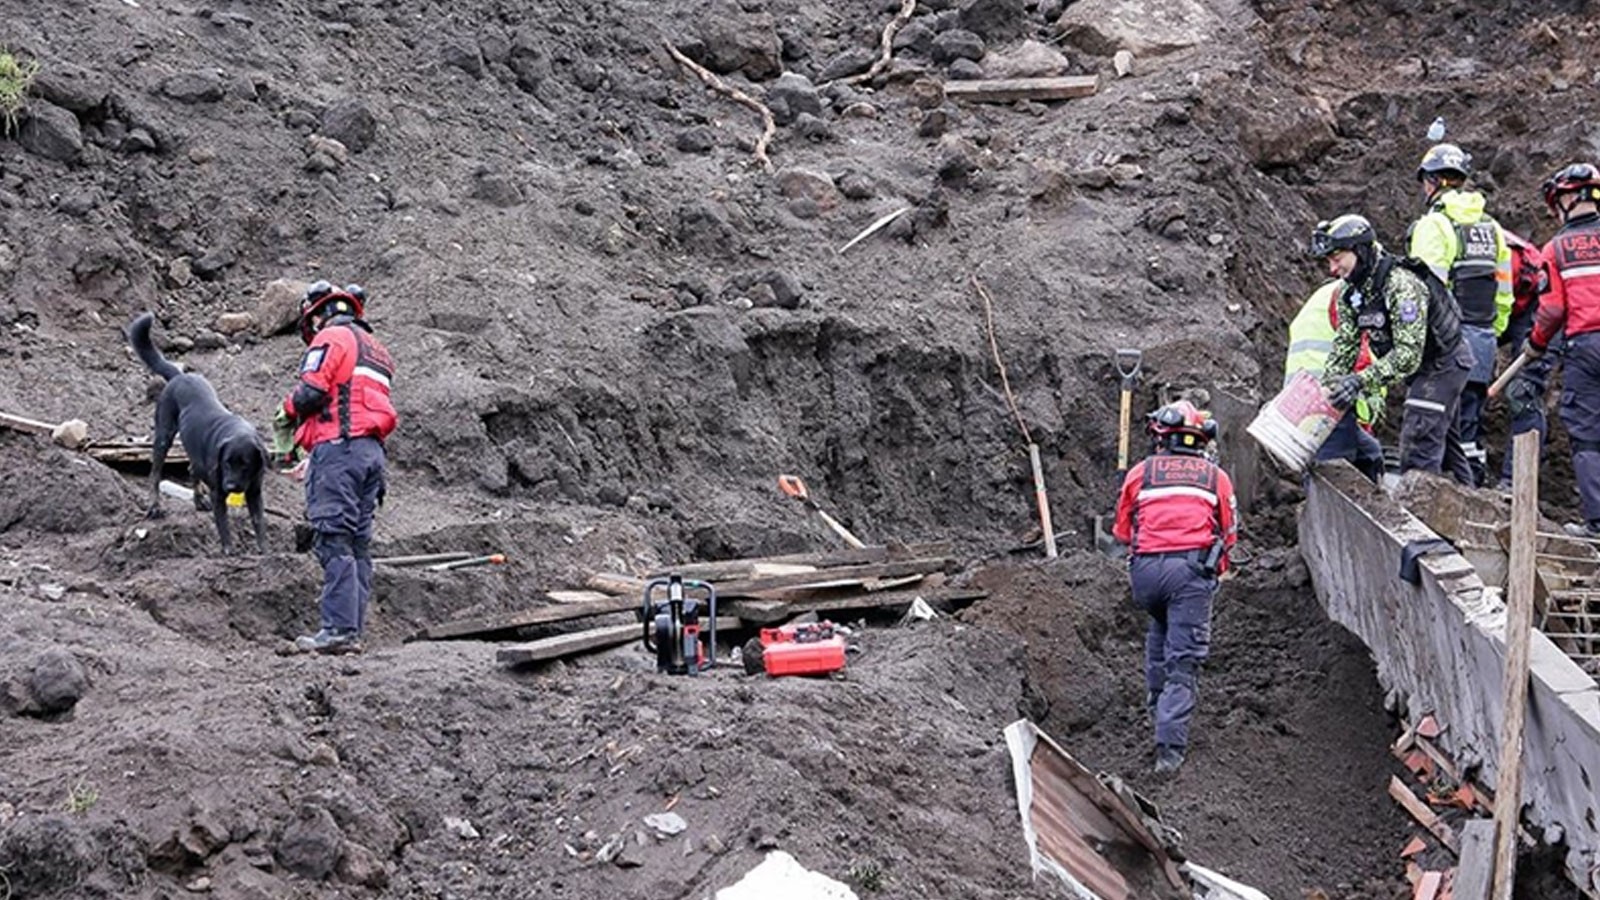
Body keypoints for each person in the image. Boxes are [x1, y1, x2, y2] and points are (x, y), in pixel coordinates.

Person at [1112, 401, 1238, 776]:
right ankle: (1169, 751)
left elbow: (1122, 531)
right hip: (1189, 573)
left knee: (1160, 627)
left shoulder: (1140, 473)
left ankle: (1156, 708)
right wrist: (1216, 571)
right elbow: (1229, 532)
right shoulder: (1216, 478)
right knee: (1184, 660)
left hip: (1145, 574)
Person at [277, 280, 399, 654]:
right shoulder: (377, 350)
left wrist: (288, 410)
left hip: (340, 453)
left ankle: (338, 631)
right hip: (370, 454)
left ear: (318, 316)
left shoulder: (331, 338)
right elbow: (356, 404)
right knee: (358, 542)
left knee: (333, 538)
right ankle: (351, 629)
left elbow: (312, 393)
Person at [1310, 214, 1475, 483]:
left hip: (1443, 362)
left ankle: (1419, 506)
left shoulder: (1402, 285)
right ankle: (1470, 500)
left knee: (1419, 439)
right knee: (1447, 448)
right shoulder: (1351, 294)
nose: (1332, 268)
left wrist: (1359, 381)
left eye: (1337, 258)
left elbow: (1408, 356)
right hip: (1422, 367)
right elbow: (1344, 348)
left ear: (1360, 250)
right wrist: (1328, 392)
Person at [1407, 144, 1514, 486]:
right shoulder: (1492, 229)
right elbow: (1504, 292)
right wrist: (1492, 333)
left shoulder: (1434, 225)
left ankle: (1436, 495)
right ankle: (1474, 493)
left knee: (1434, 427)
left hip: (1447, 347)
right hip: (1482, 342)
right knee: (1467, 428)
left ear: (1432, 181)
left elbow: (1426, 293)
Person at [1526, 163, 1600, 536]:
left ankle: (1598, 525)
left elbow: (1552, 310)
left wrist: (1536, 342)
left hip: (1585, 347)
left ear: (1567, 200)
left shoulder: (1555, 249)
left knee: (1588, 435)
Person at [1284, 279, 1385, 482]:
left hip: (1299, 399)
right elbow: (1360, 356)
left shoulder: (1323, 297)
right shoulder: (1353, 295)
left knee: (1370, 455)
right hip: (1328, 404)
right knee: (1331, 476)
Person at [1495, 230, 1551, 490]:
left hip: (1538, 306)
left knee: (1523, 392)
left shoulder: (1495, 252)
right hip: (1504, 304)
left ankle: (1517, 483)